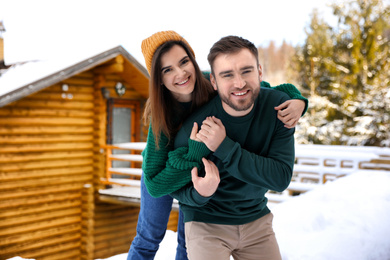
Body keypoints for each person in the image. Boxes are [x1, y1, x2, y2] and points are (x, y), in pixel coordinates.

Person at [127, 31, 307, 260]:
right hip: (164, 173)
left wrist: (298, 100)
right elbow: (155, 184)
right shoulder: (162, 115)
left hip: (197, 175)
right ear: (158, 79)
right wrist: (195, 153)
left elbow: (265, 89)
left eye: (184, 62)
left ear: (192, 60)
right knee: (149, 237)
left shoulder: (212, 83)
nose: (181, 73)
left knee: (186, 239)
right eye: (167, 69)